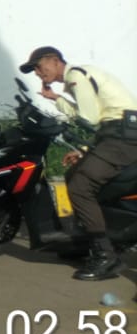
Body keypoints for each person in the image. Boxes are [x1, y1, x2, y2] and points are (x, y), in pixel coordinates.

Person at [20, 45, 137, 282]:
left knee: (80, 187)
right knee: (73, 174)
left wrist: (60, 111)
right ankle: (89, 240)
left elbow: (88, 117)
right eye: (34, 71)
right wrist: (84, 149)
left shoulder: (76, 75)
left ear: (54, 61)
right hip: (115, 134)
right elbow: (99, 120)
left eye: (39, 67)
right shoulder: (78, 78)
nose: (38, 73)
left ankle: (106, 255)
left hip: (123, 137)